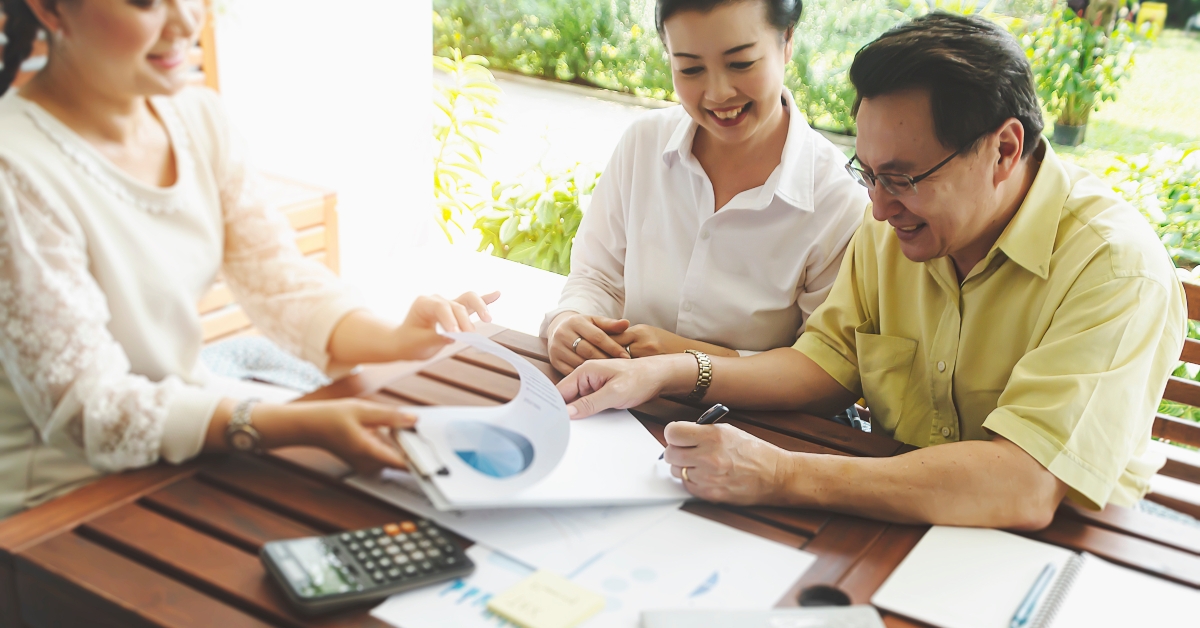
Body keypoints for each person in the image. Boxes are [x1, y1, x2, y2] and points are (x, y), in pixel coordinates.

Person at [556, 13, 1186, 529]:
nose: (878, 208)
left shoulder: (1114, 270)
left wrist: (778, 473)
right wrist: (667, 372)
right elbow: (825, 363)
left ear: (1004, 149)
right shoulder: (894, 226)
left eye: (904, 179)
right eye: (870, 173)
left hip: (1063, 551)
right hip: (892, 510)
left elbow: (1023, 485)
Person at [0, 0, 494, 519]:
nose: (186, 21)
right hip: (60, 501)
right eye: (146, 1)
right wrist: (293, 423)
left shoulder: (196, 118)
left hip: (193, 441)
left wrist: (393, 339)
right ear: (51, 10)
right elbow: (89, 410)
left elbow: (278, 279)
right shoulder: (15, 169)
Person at [541, 0, 867, 375]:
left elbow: (820, 364)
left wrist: (686, 358)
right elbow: (597, 278)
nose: (718, 93)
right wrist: (570, 321)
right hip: (616, 403)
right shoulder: (643, 144)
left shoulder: (837, 200)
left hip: (750, 424)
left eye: (740, 63)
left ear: (787, 40)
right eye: (690, 68)